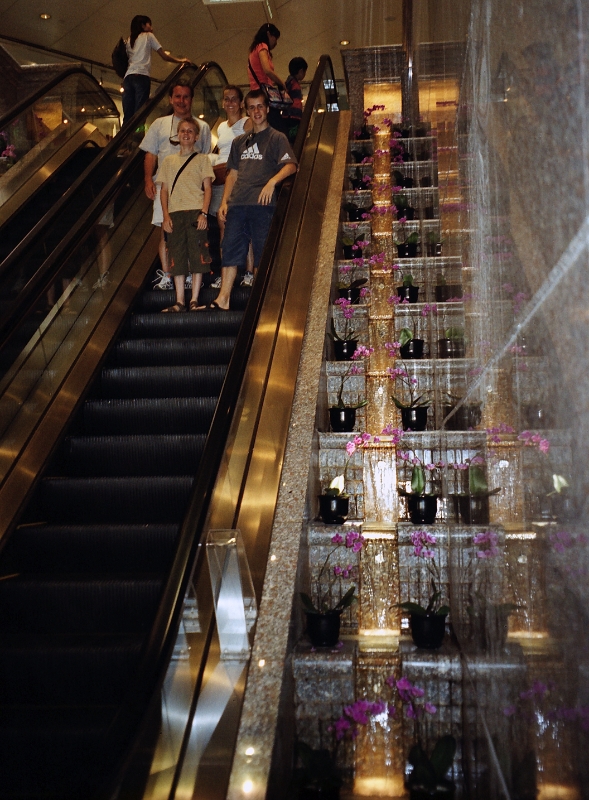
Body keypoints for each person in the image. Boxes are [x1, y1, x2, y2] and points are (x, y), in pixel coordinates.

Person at [199, 88, 297, 311]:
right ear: (247, 110)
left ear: (267, 108)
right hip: (237, 204)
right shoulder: (239, 142)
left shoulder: (276, 138)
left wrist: (272, 182)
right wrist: (224, 202)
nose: (256, 111)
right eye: (252, 107)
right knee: (230, 250)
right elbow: (232, 174)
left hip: (262, 205)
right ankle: (223, 299)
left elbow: (291, 165)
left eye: (260, 106)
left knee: (263, 252)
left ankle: (263, 302)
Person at [140, 81, 212, 290]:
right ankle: (168, 275)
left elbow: (204, 157)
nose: (182, 101)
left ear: (192, 100)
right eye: (177, 97)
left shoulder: (203, 127)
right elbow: (150, 154)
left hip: (191, 194)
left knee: (191, 236)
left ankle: (189, 273)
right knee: (165, 230)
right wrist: (147, 180)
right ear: (171, 99)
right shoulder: (159, 125)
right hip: (165, 188)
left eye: (186, 97)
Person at [159, 118, 215, 312]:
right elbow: (164, 190)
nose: (186, 134)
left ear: (196, 136)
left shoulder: (202, 159)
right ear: (177, 134)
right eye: (182, 131)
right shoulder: (168, 161)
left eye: (190, 131)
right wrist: (165, 216)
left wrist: (204, 213)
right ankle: (180, 300)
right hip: (175, 213)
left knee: (198, 254)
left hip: (195, 211)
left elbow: (208, 188)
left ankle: (195, 299)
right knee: (177, 256)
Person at [209, 85, 253, 288]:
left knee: (246, 225)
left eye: (234, 99)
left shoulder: (247, 123)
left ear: (241, 103)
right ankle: (226, 272)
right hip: (221, 179)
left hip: (241, 178)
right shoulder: (221, 127)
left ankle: (249, 272)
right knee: (223, 226)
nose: (230, 103)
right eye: (226, 99)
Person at [122, 15, 190, 122]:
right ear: (143, 25)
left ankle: (125, 138)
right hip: (141, 76)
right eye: (149, 24)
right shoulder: (148, 36)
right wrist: (181, 61)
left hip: (128, 78)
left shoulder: (129, 40)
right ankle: (138, 138)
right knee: (140, 113)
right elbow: (164, 56)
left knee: (128, 114)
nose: (152, 28)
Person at [247, 23, 288, 134]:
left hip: (256, 92)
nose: (276, 42)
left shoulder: (253, 50)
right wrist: (282, 82)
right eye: (275, 38)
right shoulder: (262, 46)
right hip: (263, 94)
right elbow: (267, 70)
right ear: (269, 34)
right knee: (279, 128)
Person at [283, 57, 308, 144]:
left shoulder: (290, 81)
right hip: (292, 115)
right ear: (301, 71)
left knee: (293, 139)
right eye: (304, 71)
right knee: (293, 139)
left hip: (290, 115)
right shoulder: (293, 82)